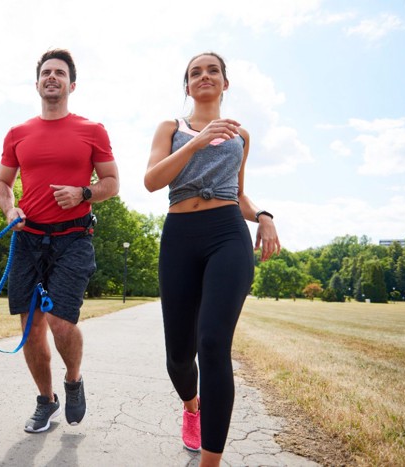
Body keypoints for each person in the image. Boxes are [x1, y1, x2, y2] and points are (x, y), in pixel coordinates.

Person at [144, 52, 280, 466]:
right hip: (180, 237)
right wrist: (200, 140)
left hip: (227, 235)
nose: (204, 76)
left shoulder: (241, 136)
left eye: (212, 71)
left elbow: (236, 195)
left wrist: (263, 216)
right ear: (187, 86)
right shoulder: (172, 127)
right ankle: (191, 405)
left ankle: (211, 460)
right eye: (195, 73)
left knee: (214, 344)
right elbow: (152, 181)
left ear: (225, 82)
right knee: (180, 358)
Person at [0, 48, 119, 433]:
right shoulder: (18, 133)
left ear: (71, 84)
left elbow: (111, 184)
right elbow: (2, 184)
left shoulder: (92, 130)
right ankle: (46, 402)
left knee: (60, 320)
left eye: (59, 73)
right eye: (46, 72)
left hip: (73, 238)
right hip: (28, 239)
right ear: (37, 84)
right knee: (30, 327)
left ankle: (73, 380)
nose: (52, 77)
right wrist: (9, 210)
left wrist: (83, 193)